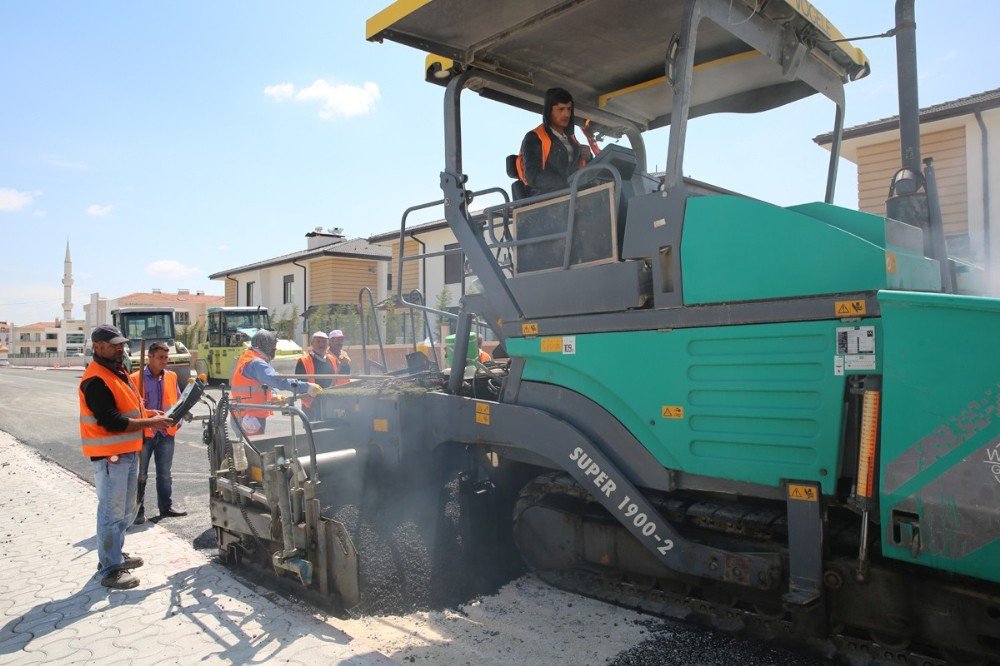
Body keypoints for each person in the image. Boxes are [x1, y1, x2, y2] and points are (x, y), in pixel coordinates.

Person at [79, 324, 173, 589]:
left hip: (127, 452)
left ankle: (115, 555)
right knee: (111, 512)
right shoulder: (95, 379)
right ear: (98, 347)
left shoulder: (116, 372)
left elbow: (131, 409)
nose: (120, 348)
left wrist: (149, 414)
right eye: (114, 344)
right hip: (111, 456)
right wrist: (150, 424)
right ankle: (110, 569)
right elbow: (112, 421)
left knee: (124, 512)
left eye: (121, 344)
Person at [131, 341, 186, 524]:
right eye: (160, 357)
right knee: (141, 474)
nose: (164, 361)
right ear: (150, 357)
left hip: (166, 434)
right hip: (145, 434)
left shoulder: (171, 377)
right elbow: (132, 410)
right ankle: (138, 512)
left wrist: (178, 422)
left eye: (166, 357)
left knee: (165, 474)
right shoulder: (135, 379)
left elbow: (179, 403)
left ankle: (166, 507)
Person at [231, 329, 320, 436]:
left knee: (246, 449)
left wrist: (272, 395)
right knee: (252, 450)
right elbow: (277, 380)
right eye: (273, 345)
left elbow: (259, 383)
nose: (275, 348)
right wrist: (306, 386)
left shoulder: (249, 357)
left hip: (244, 414)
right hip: (249, 417)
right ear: (264, 345)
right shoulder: (256, 363)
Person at [516, 87, 592, 196]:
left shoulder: (571, 140)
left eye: (569, 109)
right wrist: (565, 185)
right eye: (560, 109)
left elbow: (581, 168)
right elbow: (532, 175)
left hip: (572, 194)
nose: (566, 114)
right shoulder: (534, 138)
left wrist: (589, 157)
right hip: (546, 197)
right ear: (549, 111)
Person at [295, 331, 336, 416]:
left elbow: (337, 379)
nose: (321, 344)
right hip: (312, 407)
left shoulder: (332, 359)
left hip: (331, 404)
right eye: (318, 342)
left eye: (324, 342)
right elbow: (300, 385)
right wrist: (313, 403)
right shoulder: (303, 361)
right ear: (312, 343)